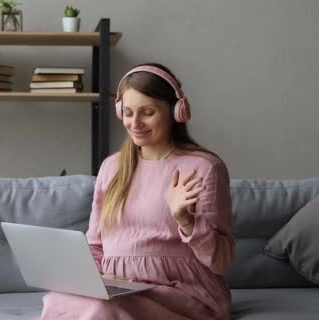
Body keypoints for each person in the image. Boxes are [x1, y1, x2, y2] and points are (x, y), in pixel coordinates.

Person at [36, 63, 235, 320]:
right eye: (128, 113)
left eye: (148, 112)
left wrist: (186, 221)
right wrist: (93, 280)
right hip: (121, 287)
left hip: (181, 291)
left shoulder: (205, 167)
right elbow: (96, 245)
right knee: (57, 300)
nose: (135, 123)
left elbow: (222, 261)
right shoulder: (112, 167)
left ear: (176, 112)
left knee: (101, 310)